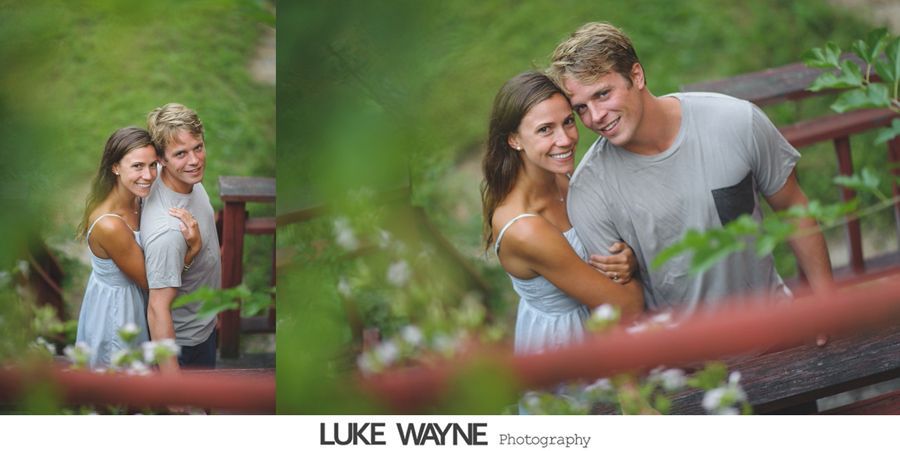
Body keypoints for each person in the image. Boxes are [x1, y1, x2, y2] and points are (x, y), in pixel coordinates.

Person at [547, 22, 833, 316]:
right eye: (581, 107)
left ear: (637, 75)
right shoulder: (589, 192)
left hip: (777, 327)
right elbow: (623, 303)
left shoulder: (736, 121)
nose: (595, 117)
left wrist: (827, 307)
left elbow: (794, 209)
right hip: (688, 357)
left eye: (603, 94)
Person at [482, 71, 644, 356]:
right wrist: (637, 266)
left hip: (601, 321)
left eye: (568, 121)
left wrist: (625, 259)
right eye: (545, 129)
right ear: (514, 140)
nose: (566, 139)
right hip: (567, 343)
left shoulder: (557, 177)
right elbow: (626, 307)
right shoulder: (526, 231)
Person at [76, 127, 201, 369]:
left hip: (136, 301)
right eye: (137, 166)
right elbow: (152, 281)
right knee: (120, 385)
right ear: (115, 167)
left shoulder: (135, 196)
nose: (149, 175)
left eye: (153, 165)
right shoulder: (111, 225)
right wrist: (192, 250)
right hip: (118, 312)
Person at [142, 103, 222, 372]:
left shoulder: (184, 179)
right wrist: (173, 384)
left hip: (204, 320)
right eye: (180, 154)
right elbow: (157, 308)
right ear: (161, 160)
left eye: (198, 147)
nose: (195, 160)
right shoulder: (168, 230)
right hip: (187, 342)